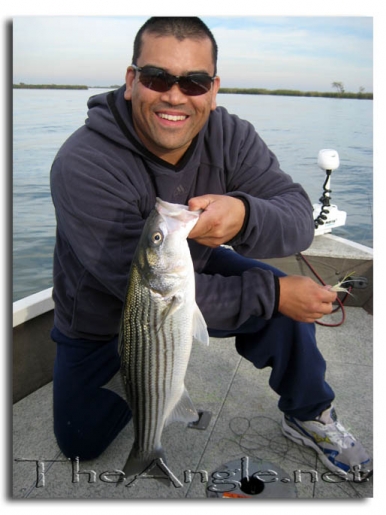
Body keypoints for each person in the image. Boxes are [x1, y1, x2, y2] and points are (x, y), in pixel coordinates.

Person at [50, 16, 372, 481]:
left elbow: (298, 217)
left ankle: (310, 413)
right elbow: (140, 287)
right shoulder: (84, 163)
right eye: (157, 78)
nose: (175, 96)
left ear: (214, 88)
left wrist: (245, 214)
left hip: (178, 271)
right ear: (130, 80)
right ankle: (153, 387)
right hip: (100, 315)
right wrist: (272, 296)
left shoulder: (231, 135)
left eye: (194, 82)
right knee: (81, 441)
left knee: (284, 294)